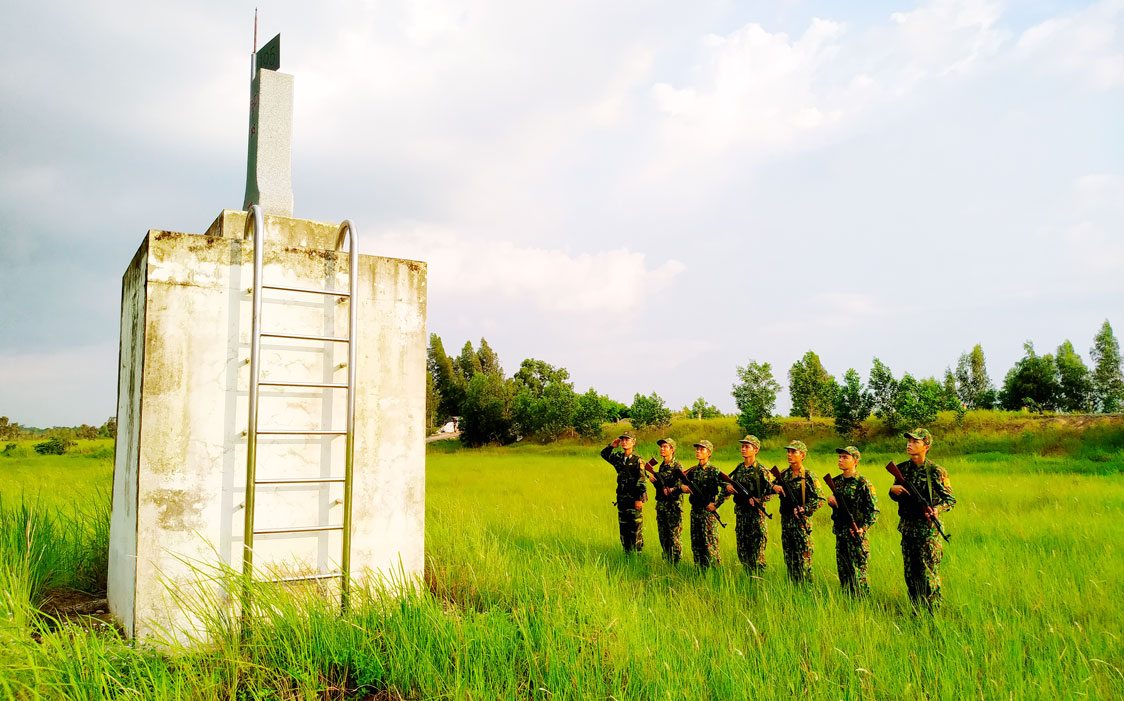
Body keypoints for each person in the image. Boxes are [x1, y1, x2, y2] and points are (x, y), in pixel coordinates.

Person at [889, 428, 956, 612]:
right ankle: (916, 611)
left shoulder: (936, 471)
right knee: (911, 575)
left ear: (925, 447)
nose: (909, 444)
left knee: (929, 575)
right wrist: (893, 491)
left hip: (928, 532)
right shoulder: (901, 469)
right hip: (908, 529)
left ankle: (933, 613)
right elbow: (896, 495)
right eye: (909, 441)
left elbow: (950, 500)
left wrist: (936, 509)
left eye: (915, 442)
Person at [826, 446, 879, 596]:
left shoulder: (863, 483)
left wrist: (863, 527)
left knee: (860, 570)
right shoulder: (836, 482)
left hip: (857, 533)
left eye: (845, 457)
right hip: (841, 532)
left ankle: (863, 600)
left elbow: (874, 510)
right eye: (840, 457)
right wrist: (831, 501)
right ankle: (848, 598)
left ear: (855, 461)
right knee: (843, 569)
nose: (840, 460)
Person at [772, 440, 824, 582]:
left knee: (804, 560)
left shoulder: (809, 476)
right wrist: (774, 487)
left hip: (802, 524)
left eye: (793, 452)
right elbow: (768, 488)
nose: (789, 455)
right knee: (789, 558)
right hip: (786, 522)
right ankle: (793, 586)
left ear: (802, 455)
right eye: (788, 452)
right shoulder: (783, 474)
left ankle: (808, 588)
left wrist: (805, 508)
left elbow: (820, 499)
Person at [724, 434, 775, 572]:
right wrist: (727, 487)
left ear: (756, 450)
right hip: (741, 515)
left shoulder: (761, 470)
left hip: (756, 516)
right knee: (743, 551)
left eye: (747, 446)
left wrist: (760, 499)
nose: (743, 449)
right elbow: (728, 483)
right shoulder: (739, 468)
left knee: (757, 554)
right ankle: (748, 578)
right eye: (742, 446)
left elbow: (772, 489)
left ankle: (759, 582)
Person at [600, 431, 647, 553]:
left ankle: (637, 555)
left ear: (633, 443)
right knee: (624, 529)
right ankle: (627, 554)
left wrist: (638, 499)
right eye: (623, 440)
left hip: (634, 500)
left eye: (627, 440)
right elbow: (604, 454)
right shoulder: (619, 458)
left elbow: (641, 481)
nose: (624, 442)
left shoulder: (638, 460)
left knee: (635, 529)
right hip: (622, 499)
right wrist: (611, 446)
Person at [685, 440, 728, 570]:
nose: (698, 452)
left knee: (710, 545)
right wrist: (682, 487)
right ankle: (699, 570)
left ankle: (715, 571)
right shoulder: (692, 471)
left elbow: (727, 488)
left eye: (702, 449)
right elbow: (679, 482)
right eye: (697, 449)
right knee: (696, 544)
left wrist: (716, 505)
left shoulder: (714, 470)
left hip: (708, 513)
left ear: (709, 453)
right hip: (695, 512)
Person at [647, 438, 686, 564]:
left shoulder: (678, 466)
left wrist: (673, 489)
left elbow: (683, 485)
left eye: (665, 447)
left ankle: (677, 562)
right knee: (663, 536)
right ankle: (667, 561)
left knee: (674, 536)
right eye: (661, 447)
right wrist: (655, 482)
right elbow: (660, 487)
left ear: (672, 450)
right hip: (662, 506)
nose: (662, 449)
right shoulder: (662, 466)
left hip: (673, 506)